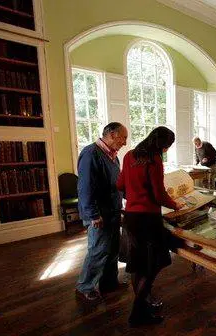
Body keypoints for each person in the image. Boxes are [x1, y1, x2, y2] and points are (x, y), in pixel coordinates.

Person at [117, 126, 185, 326]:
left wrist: (134, 192)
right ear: (162, 144)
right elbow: (158, 194)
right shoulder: (154, 160)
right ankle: (138, 313)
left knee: (137, 265)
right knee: (151, 266)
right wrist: (175, 204)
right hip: (148, 219)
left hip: (130, 218)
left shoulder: (129, 155)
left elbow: (120, 185)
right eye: (167, 146)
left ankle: (142, 306)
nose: (167, 150)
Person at [75, 122, 128, 303]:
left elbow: (117, 183)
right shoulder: (91, 154)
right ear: (112, 135)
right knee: (98, 251)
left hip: (113, 211)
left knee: (112, 250)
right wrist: (92, 215)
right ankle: (85, 287)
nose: (125, 143)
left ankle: (109, 283)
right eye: (123, 138)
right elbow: (85, 188)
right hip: (99, 214)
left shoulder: (114, 156)